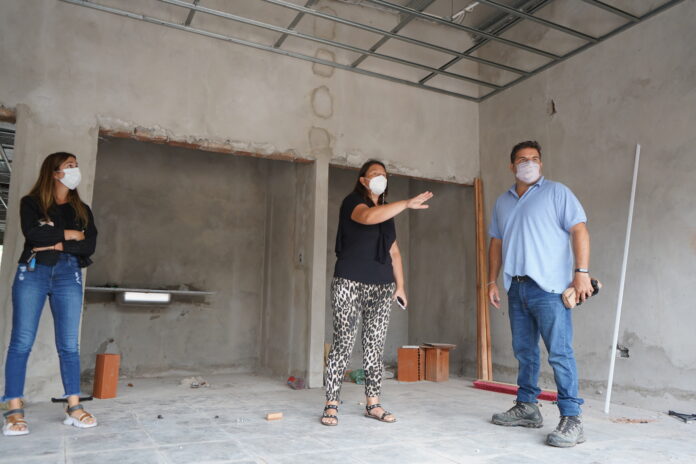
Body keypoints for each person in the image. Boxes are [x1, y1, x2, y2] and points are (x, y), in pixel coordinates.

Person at [487, 141, 592, 448]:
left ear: (541, 164)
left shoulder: (558, 193)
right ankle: (527, 407)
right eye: (522, 160)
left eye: (534, 159)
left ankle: (572, 418)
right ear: (512, 166)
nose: (529, 164)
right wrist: (491, 281)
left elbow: (579, 230)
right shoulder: (503, 202)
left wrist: (581, 272)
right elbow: (496, 243)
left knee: (559, 352)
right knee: (525, 351)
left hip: (550, 288)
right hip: (516, 287)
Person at [320, 160, 433, 426]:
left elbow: (394, 251)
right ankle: (331, 404)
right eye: (374, 174)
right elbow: (368, 217)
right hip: (349, 283)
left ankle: (373, 404)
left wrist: (400, 286)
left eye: (384, 174)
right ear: (363, 180)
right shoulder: (352, 202)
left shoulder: (388, 211)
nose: (380, 177)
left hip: (381, 287)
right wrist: (406, 203)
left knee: (374, 346)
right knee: (343, 344)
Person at [2, 152, 98, 436]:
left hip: (69, 273)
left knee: (69, 344)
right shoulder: (32, 203)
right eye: (70, 166)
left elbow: (89, 245)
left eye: (76, 166)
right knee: (21, 342)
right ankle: (13, 409)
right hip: (34, 270)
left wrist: (56, 242)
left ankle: (73, 407)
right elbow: (34, 235)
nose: (75, 170)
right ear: (55, 173)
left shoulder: (81, 209)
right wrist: (71, 235)